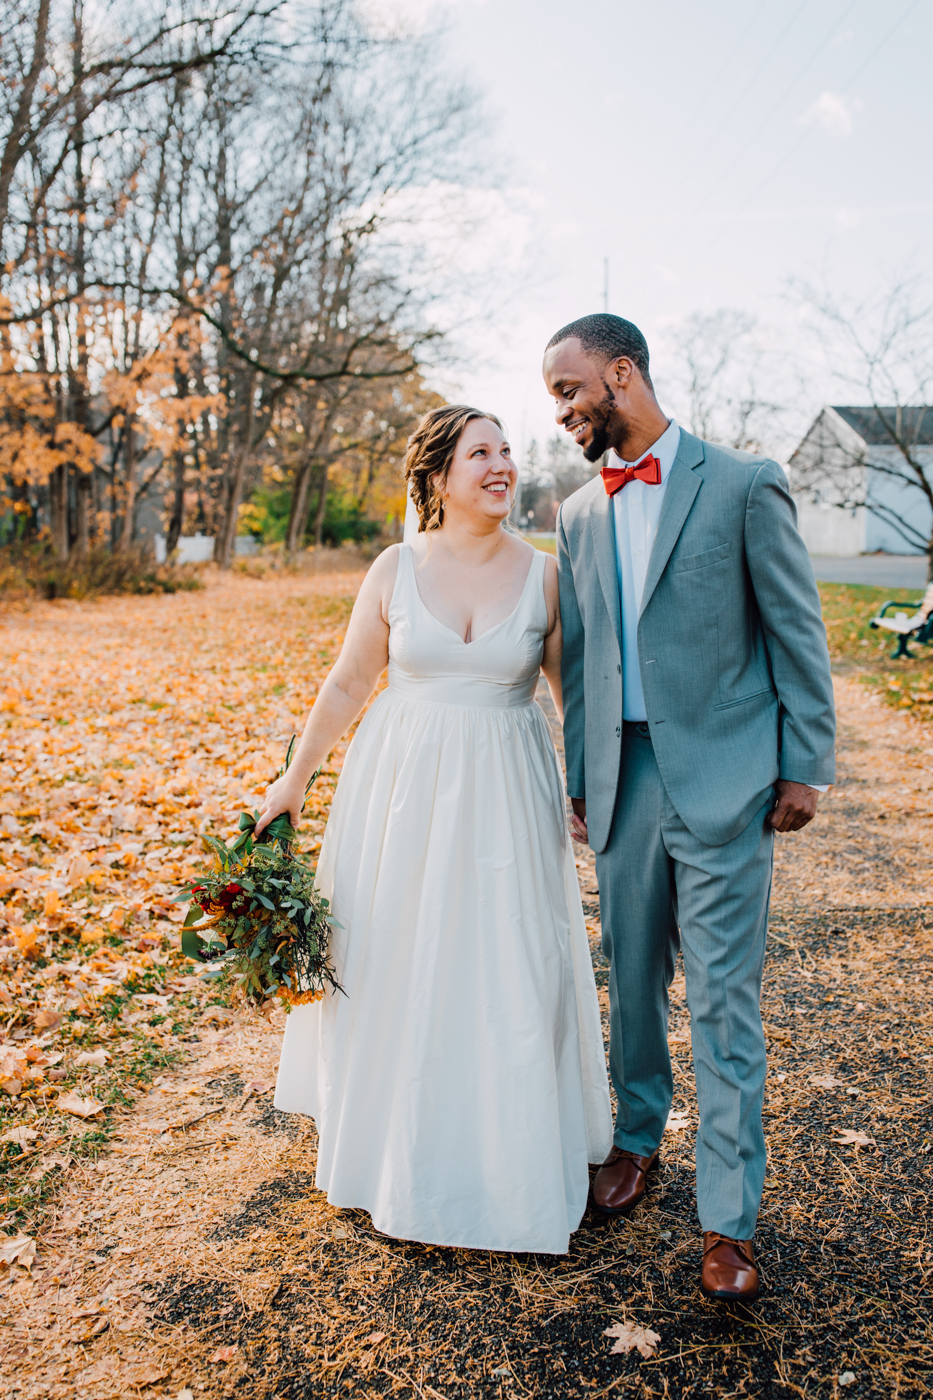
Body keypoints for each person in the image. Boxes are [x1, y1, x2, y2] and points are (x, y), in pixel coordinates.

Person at [257, 404, 612, 1253]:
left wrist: (584, 788)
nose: (501, 465)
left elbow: (570, 693)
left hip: (506, 788)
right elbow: (349, 682)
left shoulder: (545, 573)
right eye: (479, 452)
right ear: (437, 476)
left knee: (507, 957)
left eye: (507, 451)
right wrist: (295, 777)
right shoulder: (393, 566)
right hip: (400, 791)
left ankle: (512, 1157)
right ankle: (394, 1150)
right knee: (399, 956)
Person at [543, 314, 835, 1300]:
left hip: (726, 776)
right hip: (623, 780)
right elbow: (578, 663)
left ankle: (729, 1220)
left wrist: (804, 764)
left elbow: (797, 629)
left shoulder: (745, 484)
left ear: (622, 373)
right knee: (631, 980)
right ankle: (634, 1138)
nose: (562, 408)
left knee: (721, 997)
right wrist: (581, 775)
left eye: (570, 386)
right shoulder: (577, 513)